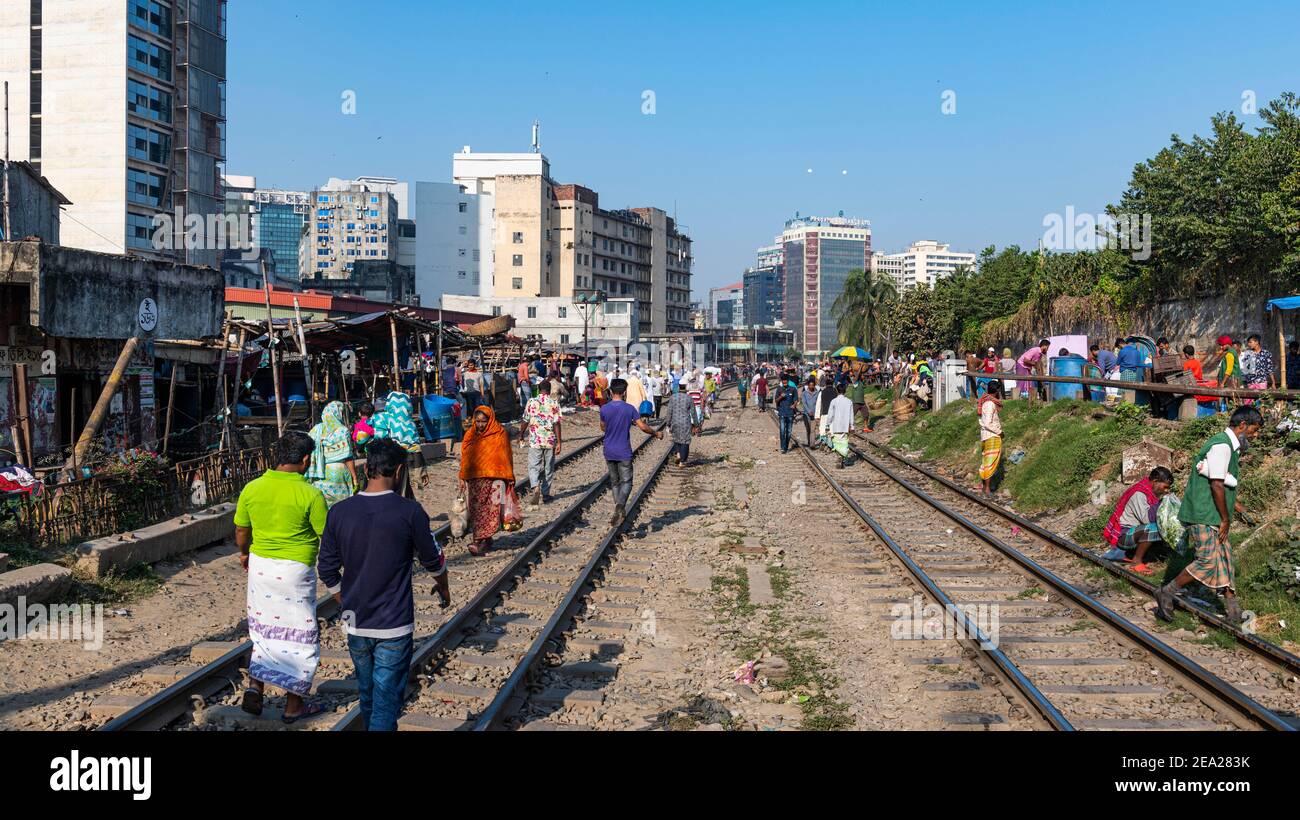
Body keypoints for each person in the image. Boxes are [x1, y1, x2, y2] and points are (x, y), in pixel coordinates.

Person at [317, 438, 449, 731]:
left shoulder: (339, 512)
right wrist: (444, 586)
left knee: (368, 694)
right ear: (400, 471)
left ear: (367, 470)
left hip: (355, 621)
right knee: (386, 701)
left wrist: (343, 597)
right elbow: (434, 560)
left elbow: (326, 567)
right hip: (394, 623)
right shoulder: (410, 512)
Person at [235, 432, 329, 723]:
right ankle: (293, 706)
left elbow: (241, 530)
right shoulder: (311, 494)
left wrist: (243, 554)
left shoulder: (252, 488)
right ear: (305, 460)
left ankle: (256, 685)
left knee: (263, 629)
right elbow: (326, 534)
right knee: (299, 635)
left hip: (261, 567)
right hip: (296, 571)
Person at [1155, 406, 1263, 624]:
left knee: (1224, 559)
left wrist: (1233, 509)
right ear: (1242, 425)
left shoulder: (1228, 447)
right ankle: (1167, 591)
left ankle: (1233, 610)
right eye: (1254, 429)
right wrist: (1225, 518)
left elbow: (1219, 481)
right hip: (1205, 514)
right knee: (1206, 561)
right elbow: (1216, 484)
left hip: (1211, 514)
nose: (1255, 434)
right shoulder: (1222, 445)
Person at [600, 379, 664, 526]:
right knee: (627, 481)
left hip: (608, 450)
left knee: (615, 482)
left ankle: (618, 507)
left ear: (610, 391)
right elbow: (642, 426)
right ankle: (620, 506)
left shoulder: (604, 409)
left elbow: (602, 427)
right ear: (624, 392)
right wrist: (655, 433)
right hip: (623, 451)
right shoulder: (630, 409)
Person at [459, 406, 516, 556]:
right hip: (474, 480)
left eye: (483, 421)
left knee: (490, 511)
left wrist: (507, 476)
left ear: (489, 420)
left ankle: (479, 541)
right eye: (477, 421)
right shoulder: (470, 435)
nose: (480, 424)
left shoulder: (499, 434)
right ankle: (484, 539)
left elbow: (505, 456)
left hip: (495, 480)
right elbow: (465, 457)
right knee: (476, 510)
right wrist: (461, 476)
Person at [1100, 466, 1174, 575]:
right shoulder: (1139, 494)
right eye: (1165, 487)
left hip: (1135, 532)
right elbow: (1147, 520)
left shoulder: (1150, 492)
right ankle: (1136, 561)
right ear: (1155, 481)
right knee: (1154, 528)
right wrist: (1162, 502)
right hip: (1124, 535)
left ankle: (1134, 554)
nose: (1166, 490)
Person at [306, 401, 360, 507]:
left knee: (323, 507)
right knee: (341, 508)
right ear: (338, 413)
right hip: (338, 473)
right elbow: (348, 457)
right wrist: (355, 478)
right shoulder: (342, 431)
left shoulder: (316, 430)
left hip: (319, 475)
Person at [372, 391, 423, 499]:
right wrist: (420, 472)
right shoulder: (410, 424)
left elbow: (378, 440)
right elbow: (416, 449)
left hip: (384, 462)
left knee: (387, 491)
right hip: (402, 465)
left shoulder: (383, 418)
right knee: (402, 490)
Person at [520, 379, 562, 506]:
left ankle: (535, 487)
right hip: (550, 440)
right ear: (549, 390)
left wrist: (521, 434)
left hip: (535, 440)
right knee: (548, 467)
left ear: (538, 389)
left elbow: (525, 420)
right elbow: (556, 423)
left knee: (534, 466)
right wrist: (559, 442)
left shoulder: (531, 401)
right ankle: (546, 494)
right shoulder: (554, 402)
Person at [978, 381, 1003, 495]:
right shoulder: (990, 404)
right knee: (990, 463)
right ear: (997, 391)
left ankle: (985, 487)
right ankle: (987, 488)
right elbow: (988, 423)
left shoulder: (986, 403)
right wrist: (1000, 432)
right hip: (992, 436)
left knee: (986, 461)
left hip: (986, 436)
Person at [666, 383, 698, 466]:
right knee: (685, 441)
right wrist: (696, 424)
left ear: (679, 387)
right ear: (686, 388)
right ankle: (682, 461)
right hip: (685, 422)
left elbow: (669, 411)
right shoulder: (689, 398)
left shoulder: (673, 397)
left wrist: (668, 423)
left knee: (676, 438)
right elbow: (693, 412)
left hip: (675, 421)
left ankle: (678, 454)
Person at [826, 383, 855, 467]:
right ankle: (842, 457)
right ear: (845, 391)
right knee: (844, 442)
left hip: (836, 426)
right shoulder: (849, 401)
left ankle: (839, 456)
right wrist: (852, 426)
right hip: (845, 426)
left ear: (837, 391)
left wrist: (827, 425)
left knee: (836, 442)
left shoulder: (833, 401)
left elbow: (830, 415)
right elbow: (851, 415)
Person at [1016, 339, 1050, 403]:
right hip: (1021, 365)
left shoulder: (1040, 354)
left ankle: (1027, 399)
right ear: (1044, 346)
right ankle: (1017, 399)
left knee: (1029, 383)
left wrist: (1041, 377)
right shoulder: (1035, 350)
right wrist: (1034, 364)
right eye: (1048, 347)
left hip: (1027, 367)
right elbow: (1025, 360)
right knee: (1022, 382)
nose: (1048, 349)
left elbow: (1038, 365)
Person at [774, 375, 799, 454]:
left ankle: (786, 446)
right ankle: (782, 447)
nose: (784, 382)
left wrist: (794, 405)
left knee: (788, 432)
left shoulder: (793, 389)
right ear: (782, 381)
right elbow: (776, 400)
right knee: (782, 430)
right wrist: (781, 396)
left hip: (790, 413)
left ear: (788, 381)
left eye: (786, 381)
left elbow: (796, 399)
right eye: (783, 381)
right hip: (782, 412)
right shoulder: (779, 389)